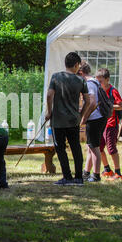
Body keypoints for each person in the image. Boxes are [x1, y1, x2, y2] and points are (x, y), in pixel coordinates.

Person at [45, 52, 90, 186]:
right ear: (76, 65)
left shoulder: (56, 77)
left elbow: (49, 96)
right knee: (76, 148)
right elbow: (88, 101)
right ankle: (78, 178)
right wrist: (81, 115)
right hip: (73, 120)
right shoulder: (81, 80)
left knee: (61, 149)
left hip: (58, 120)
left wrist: (49, 111)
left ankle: (67, 177)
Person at [78, 61, 108, 183]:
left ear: (81, 72)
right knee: (90, 146)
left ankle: (96, 175)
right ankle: (86, 172)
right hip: (99, 117)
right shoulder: (94, 81)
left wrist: (84, 117)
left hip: (95, 119)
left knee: (94, 147)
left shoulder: (89, 83)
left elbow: (92, 103)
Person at [95, 68, 122, 181]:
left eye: (100, 81)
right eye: (97, 81)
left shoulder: (113, 91)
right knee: (99, 147)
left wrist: (109, 106)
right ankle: (107, 169)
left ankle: (118, 173)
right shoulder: (99, 90)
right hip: (101, 123)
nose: (99, 83)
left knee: (111, 148)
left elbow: (121, 105)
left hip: (111, 124)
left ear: (107, 79)